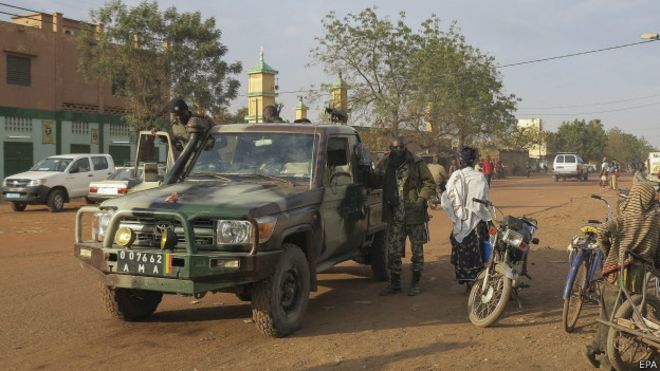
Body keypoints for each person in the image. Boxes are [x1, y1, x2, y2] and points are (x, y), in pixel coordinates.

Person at [585, 183, 659, 368]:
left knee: (609, 311)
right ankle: (601, 351)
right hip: (639, 273)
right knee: (621, 314)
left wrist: (608, 250)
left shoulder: (625, 216)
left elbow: (602, 231)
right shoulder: (655, 219)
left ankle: (600, 353)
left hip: (616, 270)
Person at [374, 137, 436, 296]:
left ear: (405, 148)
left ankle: (415, 283)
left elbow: (429, 182)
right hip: (395, 216)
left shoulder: (416, 162)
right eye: (395, 148)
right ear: (391, 148)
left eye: (401, 147)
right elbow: (374, 177)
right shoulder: (386, 163)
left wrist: (421, 199)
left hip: (414, 214)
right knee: (393, 252)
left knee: (417, 252)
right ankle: (395, 284)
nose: (398, 150)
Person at [440, 146, 492, 289]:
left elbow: (447, 199)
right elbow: (485, 201)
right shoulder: (480, 177)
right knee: (480, 251)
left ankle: (468, 283)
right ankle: (479, 281)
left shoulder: (455, 177)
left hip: (461, 223)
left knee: (462, 250)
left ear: (459, 160)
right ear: (474, 160)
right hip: (478, 223)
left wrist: (457, 216)